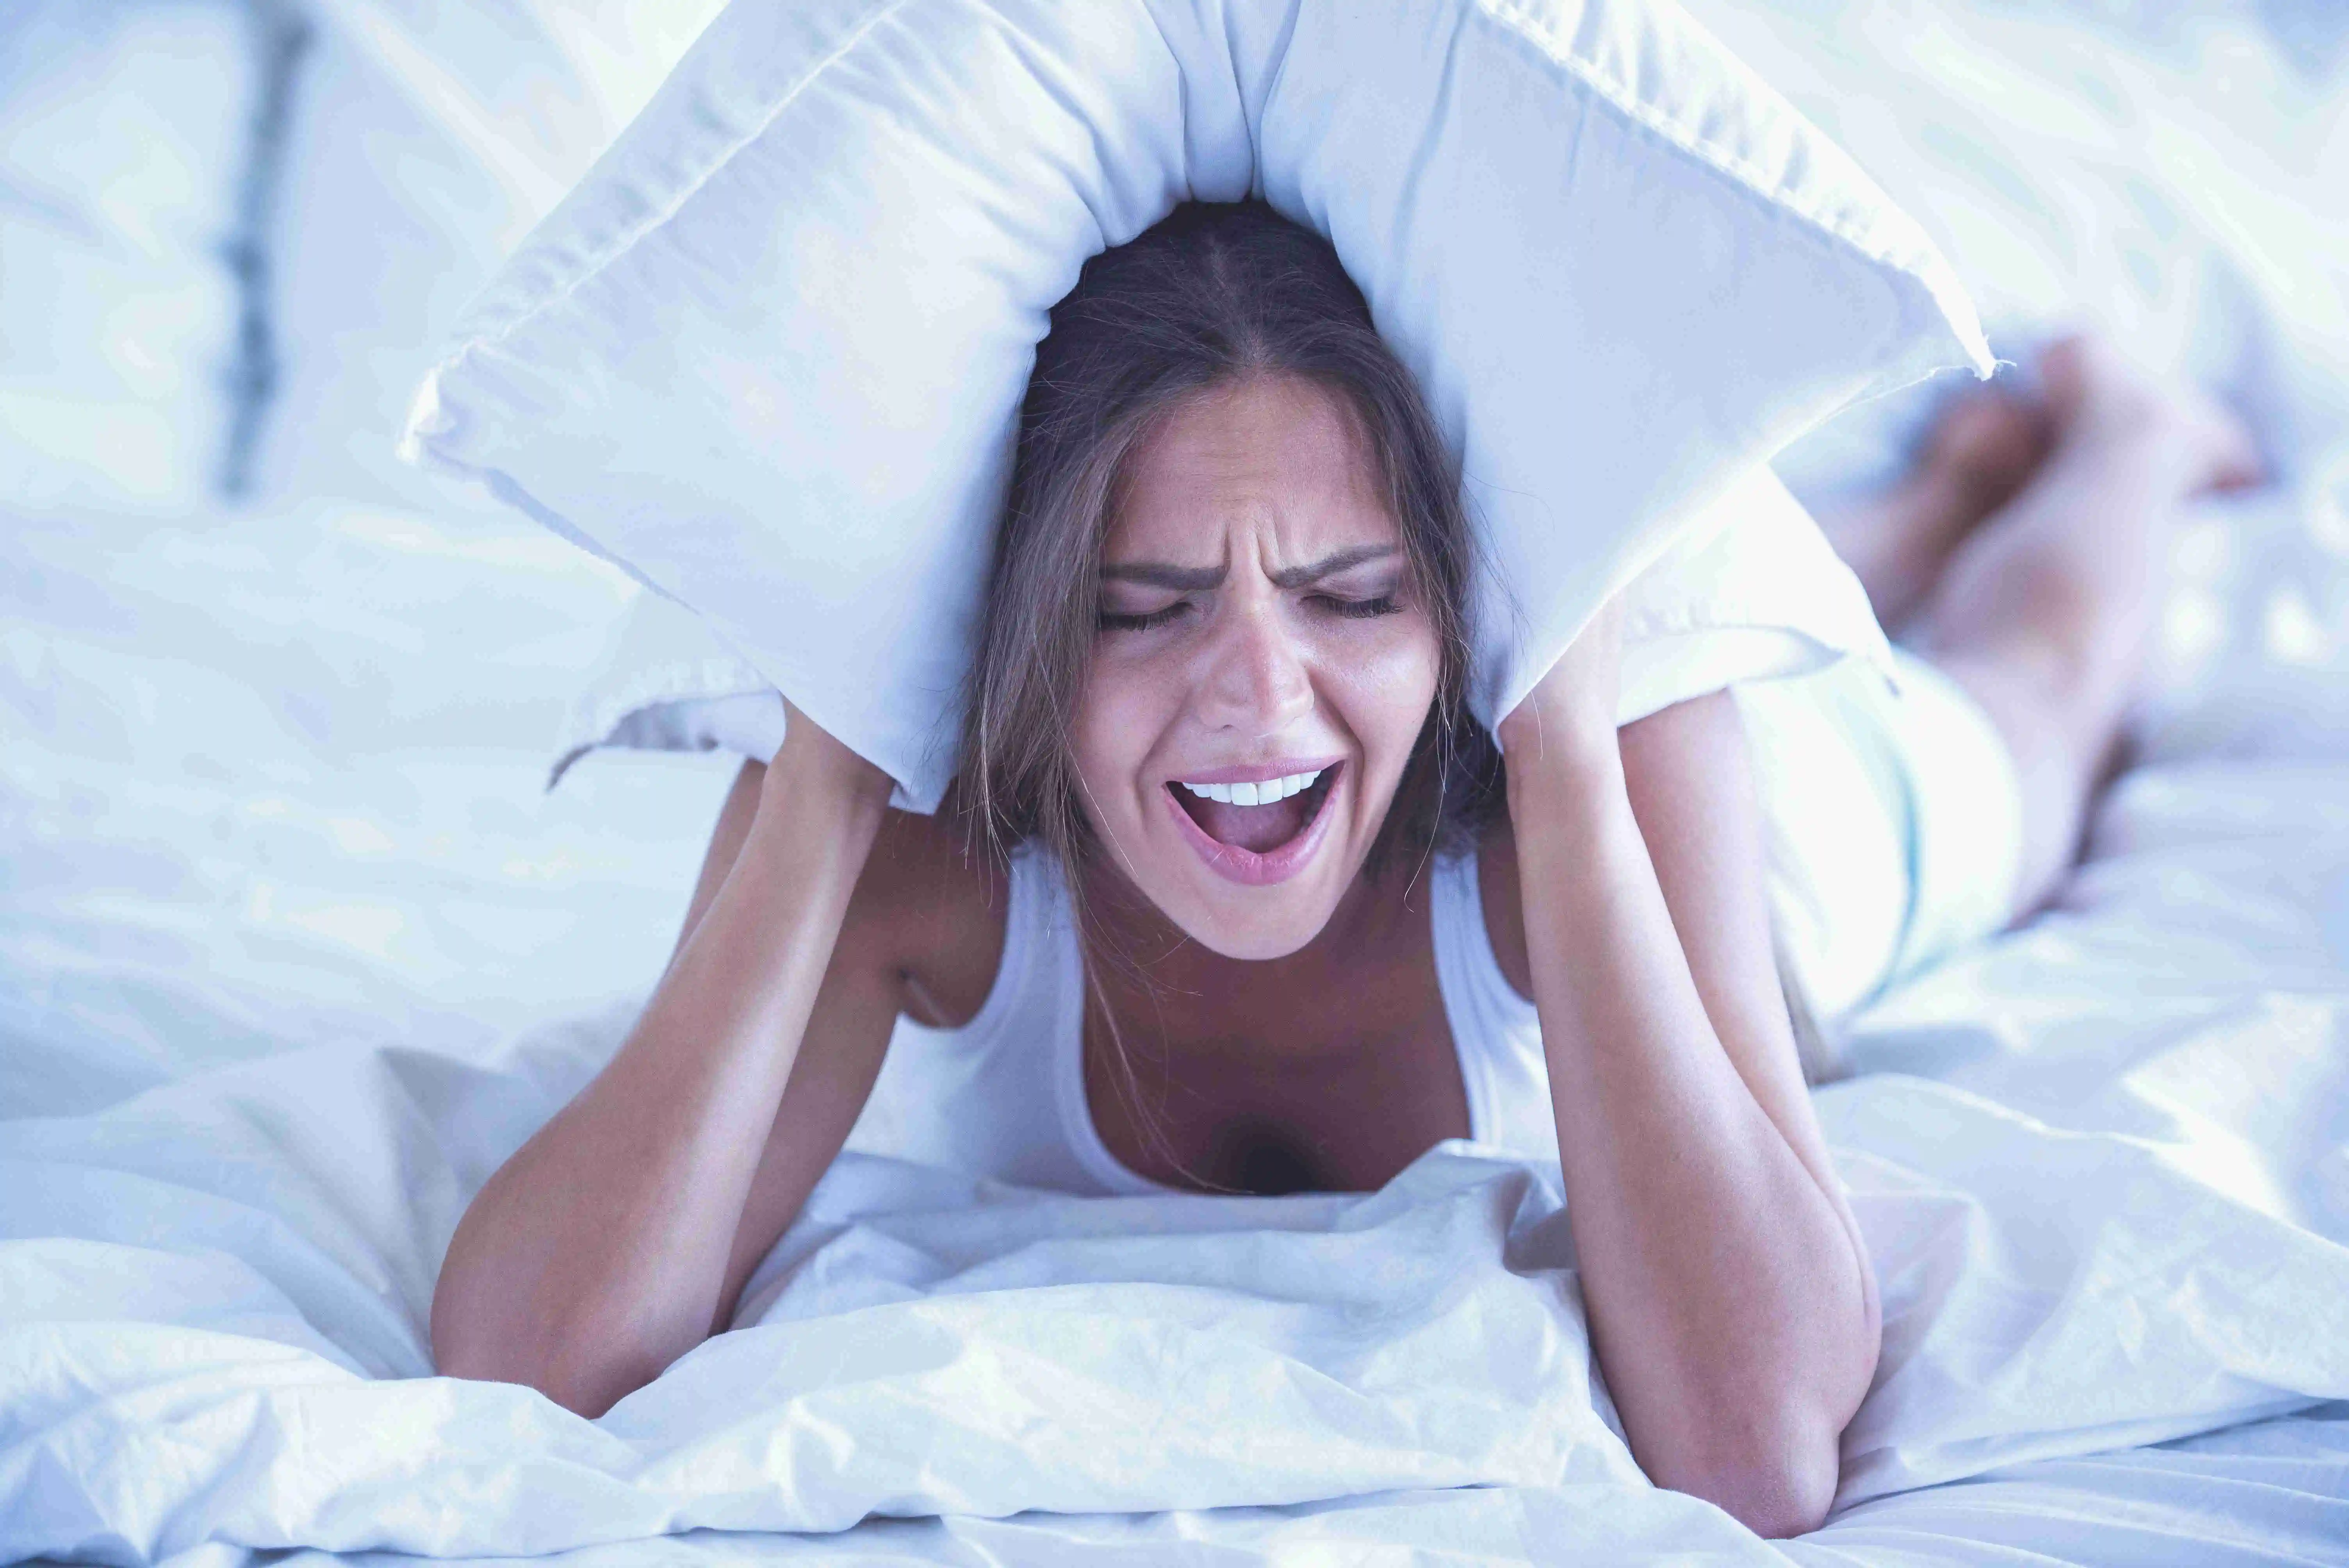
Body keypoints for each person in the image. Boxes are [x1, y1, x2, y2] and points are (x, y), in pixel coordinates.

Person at [429, 202, 2256, 1537]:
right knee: (1906, 571)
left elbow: (1758, 1444)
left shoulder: (1613, 742)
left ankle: (2127, 444)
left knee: (2018, 703)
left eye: (1354, 597)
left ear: (1458, 609)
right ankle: (1933, 498)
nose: (1253, 700)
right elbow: (527, 1372)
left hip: (1737, 850)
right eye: (1140, 608)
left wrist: (1562, 739)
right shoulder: (915, 836)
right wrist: (820, 763)